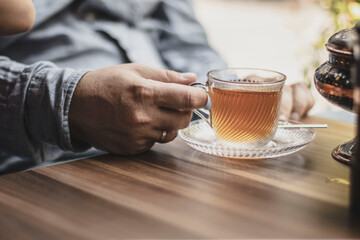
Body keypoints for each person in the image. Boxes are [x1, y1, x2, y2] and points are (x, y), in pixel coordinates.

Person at [0, 0, 314, 174]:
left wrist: (238, 89)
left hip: (173, 155)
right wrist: (66, 104)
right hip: (43, 165)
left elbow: (188, 44)